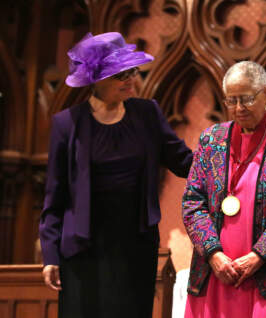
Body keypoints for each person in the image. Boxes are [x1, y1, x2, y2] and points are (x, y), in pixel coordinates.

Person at [39, 32, 193, 318]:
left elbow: (183, 161)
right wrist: (50, 253)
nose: (130, 79)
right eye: (120, 75)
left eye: (131, 72)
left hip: (134, 243)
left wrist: (225, 162)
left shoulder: (147, 113)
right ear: (95, 79)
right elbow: (55, 194)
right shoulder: (67, 124)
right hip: (83, 247)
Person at [182, 61, 266, 318]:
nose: (239, 108)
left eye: (246, 99)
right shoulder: (211, 139)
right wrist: (213, 254)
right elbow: (192, 202)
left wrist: (258, 255)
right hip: (216, 275)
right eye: (231, 100)